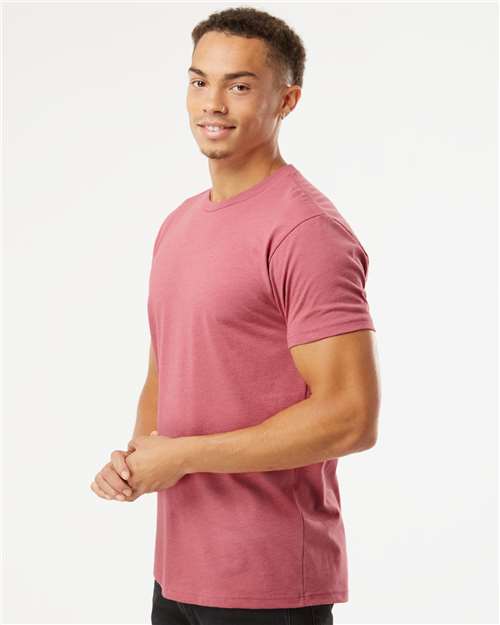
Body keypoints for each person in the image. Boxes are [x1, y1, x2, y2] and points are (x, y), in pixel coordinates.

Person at [90, 7, 381, 625]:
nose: (212, 103)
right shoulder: (178, 224)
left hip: (267, 582)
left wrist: (184, 456)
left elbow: (351, 417)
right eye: (199, 81)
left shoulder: (306, 231)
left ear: (287, 100)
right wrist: (139, 458)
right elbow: (168, 370)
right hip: (178, 572)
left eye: (240, 85)